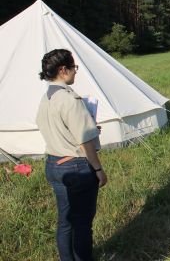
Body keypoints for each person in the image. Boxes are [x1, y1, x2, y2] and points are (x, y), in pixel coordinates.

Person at [36, 49, 107, 261]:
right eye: (74, 68)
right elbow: (85, 140)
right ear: (63, 70)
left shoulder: (46, 98)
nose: (76, 72)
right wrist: (98, 169)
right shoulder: (70, 100)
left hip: (54, 163)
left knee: (65, 221)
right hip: (76, 167)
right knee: (82, 222)